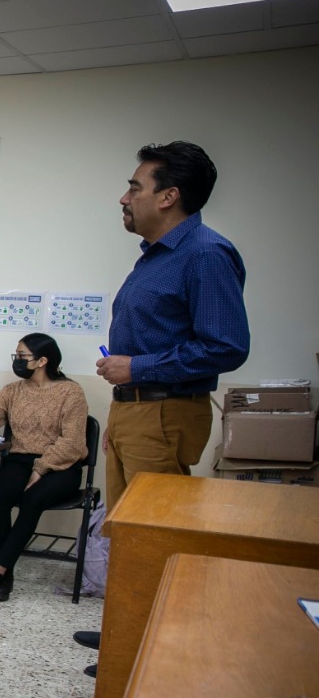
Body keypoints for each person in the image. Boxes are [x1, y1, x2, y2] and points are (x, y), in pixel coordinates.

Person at [98, 142, 249, 508]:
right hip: (135, 410)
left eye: (135, 188)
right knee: (125, 530)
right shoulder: (157, 256)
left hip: (162, 411)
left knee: (152, 532)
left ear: (168, 197)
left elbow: (225, 347)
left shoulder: (205, 254)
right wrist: (121, 416)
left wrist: (136, 367)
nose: (124, 198)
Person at [0, 334, 89, 603]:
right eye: (15, 355)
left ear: (42, 361)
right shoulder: (12, 391)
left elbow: (73, 441)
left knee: (33, 499)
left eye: (22, 356)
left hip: (62, 465)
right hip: (20, 460)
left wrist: (41, 467)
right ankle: (6, 574)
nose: (16, 360)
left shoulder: (71, 392)